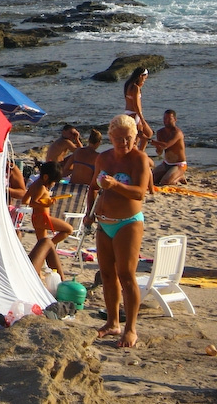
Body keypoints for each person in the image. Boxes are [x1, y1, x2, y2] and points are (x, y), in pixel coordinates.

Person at [84, 114, 151, 348]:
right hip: (104, 222)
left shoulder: (139, 159)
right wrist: (89, 212)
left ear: (135, 137)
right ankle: (113, 322)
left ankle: (131, 328)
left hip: (127, 222)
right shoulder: (103, 158)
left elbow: (140, 193)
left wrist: (116, 185)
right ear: (110, 137)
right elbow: (93, 187)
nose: (124, 143)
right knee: (107, 274)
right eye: (119, 138)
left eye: (128, 138)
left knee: (126, 275)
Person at [25, 161, 74, 246]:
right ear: (46, 177)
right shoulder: (42, 187)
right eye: (53, 181)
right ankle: (49, 246)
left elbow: (25, 200)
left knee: (41, 244)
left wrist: (43, 201)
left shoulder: (35, 184)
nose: (53, 184)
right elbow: (32, 203)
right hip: (43, 218)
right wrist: (45, 205)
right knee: (68, 229)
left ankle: (45, 248)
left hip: (36, 218)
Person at [151, 109, 187, 186]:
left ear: (175, 119)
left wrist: (150, 141)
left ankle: (180, 177)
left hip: (179, 164)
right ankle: (168, 174)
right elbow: (160, 152)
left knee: (165, 182)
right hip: (166, 163)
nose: (166, 121)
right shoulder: (160, 132)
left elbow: (166, 145)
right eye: (165, 118)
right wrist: (158, 148)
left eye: (169, 119)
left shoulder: (177, 133)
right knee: (151, 179)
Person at [123, 67, 153, 151]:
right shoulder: (135, 88)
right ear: (140, 76)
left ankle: (138, 152)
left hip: (129, 112)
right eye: (144, 78)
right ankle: (140, 152)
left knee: (139, 136)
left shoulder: (128, 84)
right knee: (146, 134)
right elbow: (136, 104)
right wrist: (142, 119)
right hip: (135, 114)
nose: (144, 80)